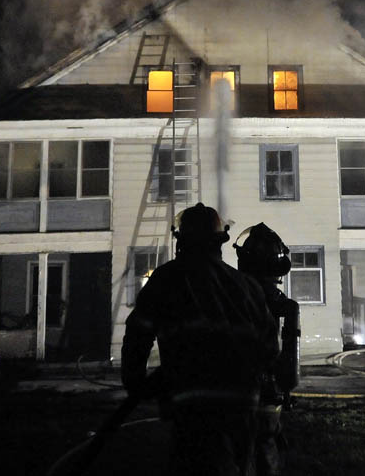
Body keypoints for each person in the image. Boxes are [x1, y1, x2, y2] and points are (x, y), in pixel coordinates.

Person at [121, 203, 279, 476]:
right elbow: (270, 350)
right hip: (242, 407)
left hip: (191, 409)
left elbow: (138, 336)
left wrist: (139, 385)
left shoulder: (165, 280)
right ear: (220, 241)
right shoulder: (248, 287)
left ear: (180, 240)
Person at [234, 223, 301, 476]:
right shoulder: (279, 303)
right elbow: (283, 362)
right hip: (267, 390)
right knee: (265, 451)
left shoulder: (233, 292)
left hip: (240, 390)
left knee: (241, 455)